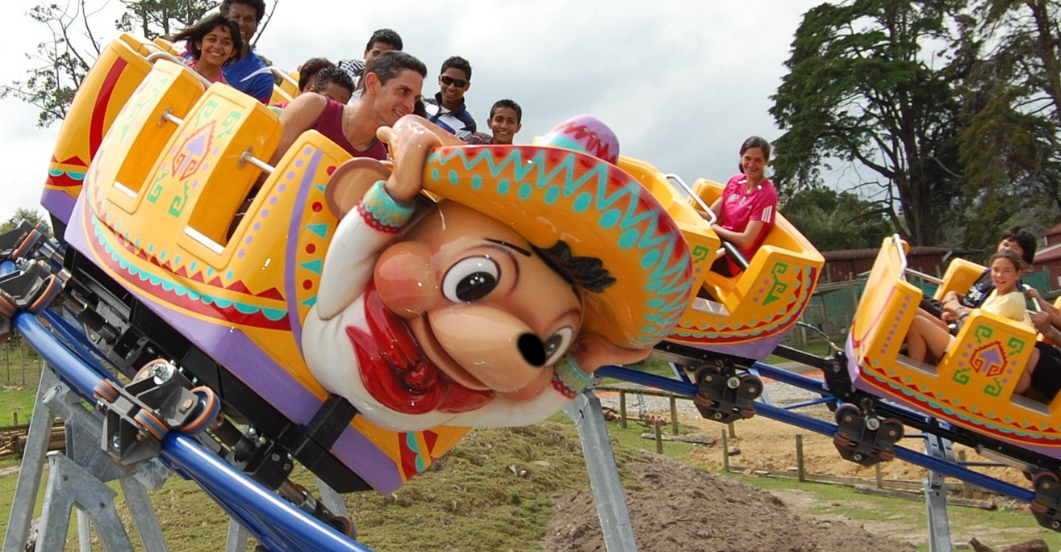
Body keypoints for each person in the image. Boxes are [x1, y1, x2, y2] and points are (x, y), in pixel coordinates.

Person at [270, 51, 426, 163]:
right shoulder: (313, 107)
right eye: (403, 91)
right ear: (372, 83)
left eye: (415, 99)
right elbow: (261, 172)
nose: (410, 106)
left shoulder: (378, 158)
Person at [905, 249, 1031, 364]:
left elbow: (980, 330)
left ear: (1018, 274)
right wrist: (957, 313)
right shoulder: (1000, 292)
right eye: (996, 270)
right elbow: (983, 314)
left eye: (1006, 271)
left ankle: (913, 371)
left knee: (918, 323)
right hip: (966, 339)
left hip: (973, 353)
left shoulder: (1010, 300)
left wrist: (958, 309)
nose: (999, 275)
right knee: (913, 310)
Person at [705, 136, 777, 276]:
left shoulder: (767, 195)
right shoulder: (735, 182)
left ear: (766, 162)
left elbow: (746, 241)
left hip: (732, 257)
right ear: (741, 157)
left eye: (758, 160)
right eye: (748, 158)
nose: (751, 165)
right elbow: (709, 215)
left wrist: (714, 228)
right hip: (717, 242)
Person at [934, 226, 1038, 321]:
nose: (1007, 250)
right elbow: (975, 300)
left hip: (963, 320)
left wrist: (956, 308)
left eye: (1015, 249)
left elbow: (984, 316)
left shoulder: (1006, 287)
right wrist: (954, 295)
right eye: (1005, 244)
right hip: (957, 312)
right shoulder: (991, 274)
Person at [219, 0, 273, 104]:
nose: (241, 24)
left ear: (257, 25)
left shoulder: (260, 76)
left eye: (248, 19)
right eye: (235, 17)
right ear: (222, 18)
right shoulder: (199, 49)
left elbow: (251, 117)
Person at [170, 14, 242, 84]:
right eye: (212, 39)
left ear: (233, 51)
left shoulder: (224, 93)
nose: (217, 46)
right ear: (199, 43)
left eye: (226, 42)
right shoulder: (175, 67)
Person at [337, 29, 403, 102]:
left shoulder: (390, 99)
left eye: (386, 57)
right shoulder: (343, 68)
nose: (379, 60)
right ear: (366, 53)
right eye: (376, 53)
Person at [423, 56, 476, 140]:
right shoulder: (423, 104)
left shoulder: (466, 125)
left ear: (467, 86)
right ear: (439, 79)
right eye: (447, 80)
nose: (451, 87)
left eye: (459, 83)